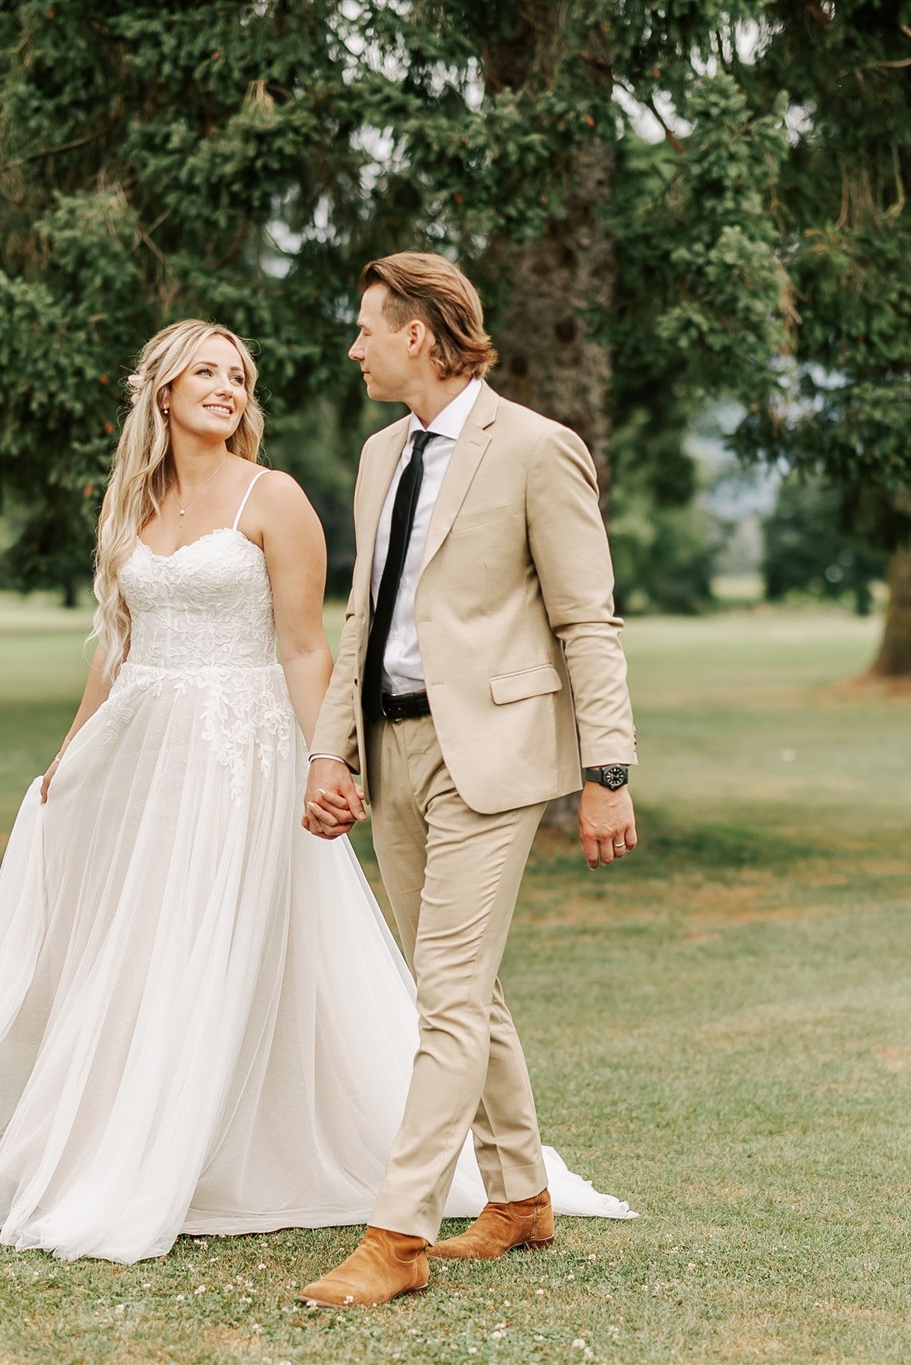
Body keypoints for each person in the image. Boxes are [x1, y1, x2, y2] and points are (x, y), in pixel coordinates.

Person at [0, 318, 630, 1265]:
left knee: (258, 949)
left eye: (238, 375)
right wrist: (72, 749)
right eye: (206, 373)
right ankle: (132, 1138)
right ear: (164, 392)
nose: (226, 387)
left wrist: (326, 758)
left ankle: (394, 1207)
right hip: (146, 753)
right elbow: (115, 638)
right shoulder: (132, 500)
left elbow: (312, 644)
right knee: (142, 947)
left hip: (242, 751)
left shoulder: (277, 495)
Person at [297, 253, 640, 1308]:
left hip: (487, 760)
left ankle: (395, 1237)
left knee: (442, 997)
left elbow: (588, 619)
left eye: (365, 329)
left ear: (419, 336)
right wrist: (330, 748)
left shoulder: (537, 449)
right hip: (387, 746)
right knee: (459, 986)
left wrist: (606, 772)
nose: (352, 348)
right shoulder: (376, 454)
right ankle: (519, 1195)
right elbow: (361, 615)